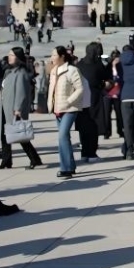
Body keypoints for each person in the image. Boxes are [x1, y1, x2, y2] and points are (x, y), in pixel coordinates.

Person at [0, 47, 43, 170]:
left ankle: (35, 159)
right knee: (5, 135)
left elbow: (21, 93)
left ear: (18, 58)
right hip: (5, 107)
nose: (9, 57)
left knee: (21, 135)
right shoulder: (9, 72)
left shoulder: (21, 73)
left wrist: (18, 109)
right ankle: (6, 160)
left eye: (12, 55)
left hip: (13, 109)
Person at [47, 46, 83, 179]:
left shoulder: (72, 70)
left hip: (70, 108)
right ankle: (70, 165)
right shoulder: (53, 71)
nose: (52, 58)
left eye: (54, 55)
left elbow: (80, 89)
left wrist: (69, 101)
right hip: (57, 109)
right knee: (64, 137)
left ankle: (65, 168)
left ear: (62, 56)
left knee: (62, 136)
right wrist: (50, 104)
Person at [75, 42, 112, 163]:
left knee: (83, 127)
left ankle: (84, 152)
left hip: (81, 99)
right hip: (93, 98)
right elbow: (105, 78)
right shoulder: (97, 65)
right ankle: (91, 153)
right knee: (93, 126)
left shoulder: (79, 64)